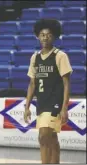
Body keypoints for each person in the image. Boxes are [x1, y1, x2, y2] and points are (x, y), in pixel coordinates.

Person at [24, 19, 73, 164]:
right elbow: (32, 83)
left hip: (55, 102)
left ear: (54, 36)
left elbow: (66, 84)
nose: (45, 37)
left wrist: (65, 108)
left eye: (49, 35)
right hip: (42, 103)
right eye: (42, 34)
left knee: (43, 135)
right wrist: (26, 106)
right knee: (51, 138)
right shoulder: (35, 57)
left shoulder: (60, 56)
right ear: (38, 36)